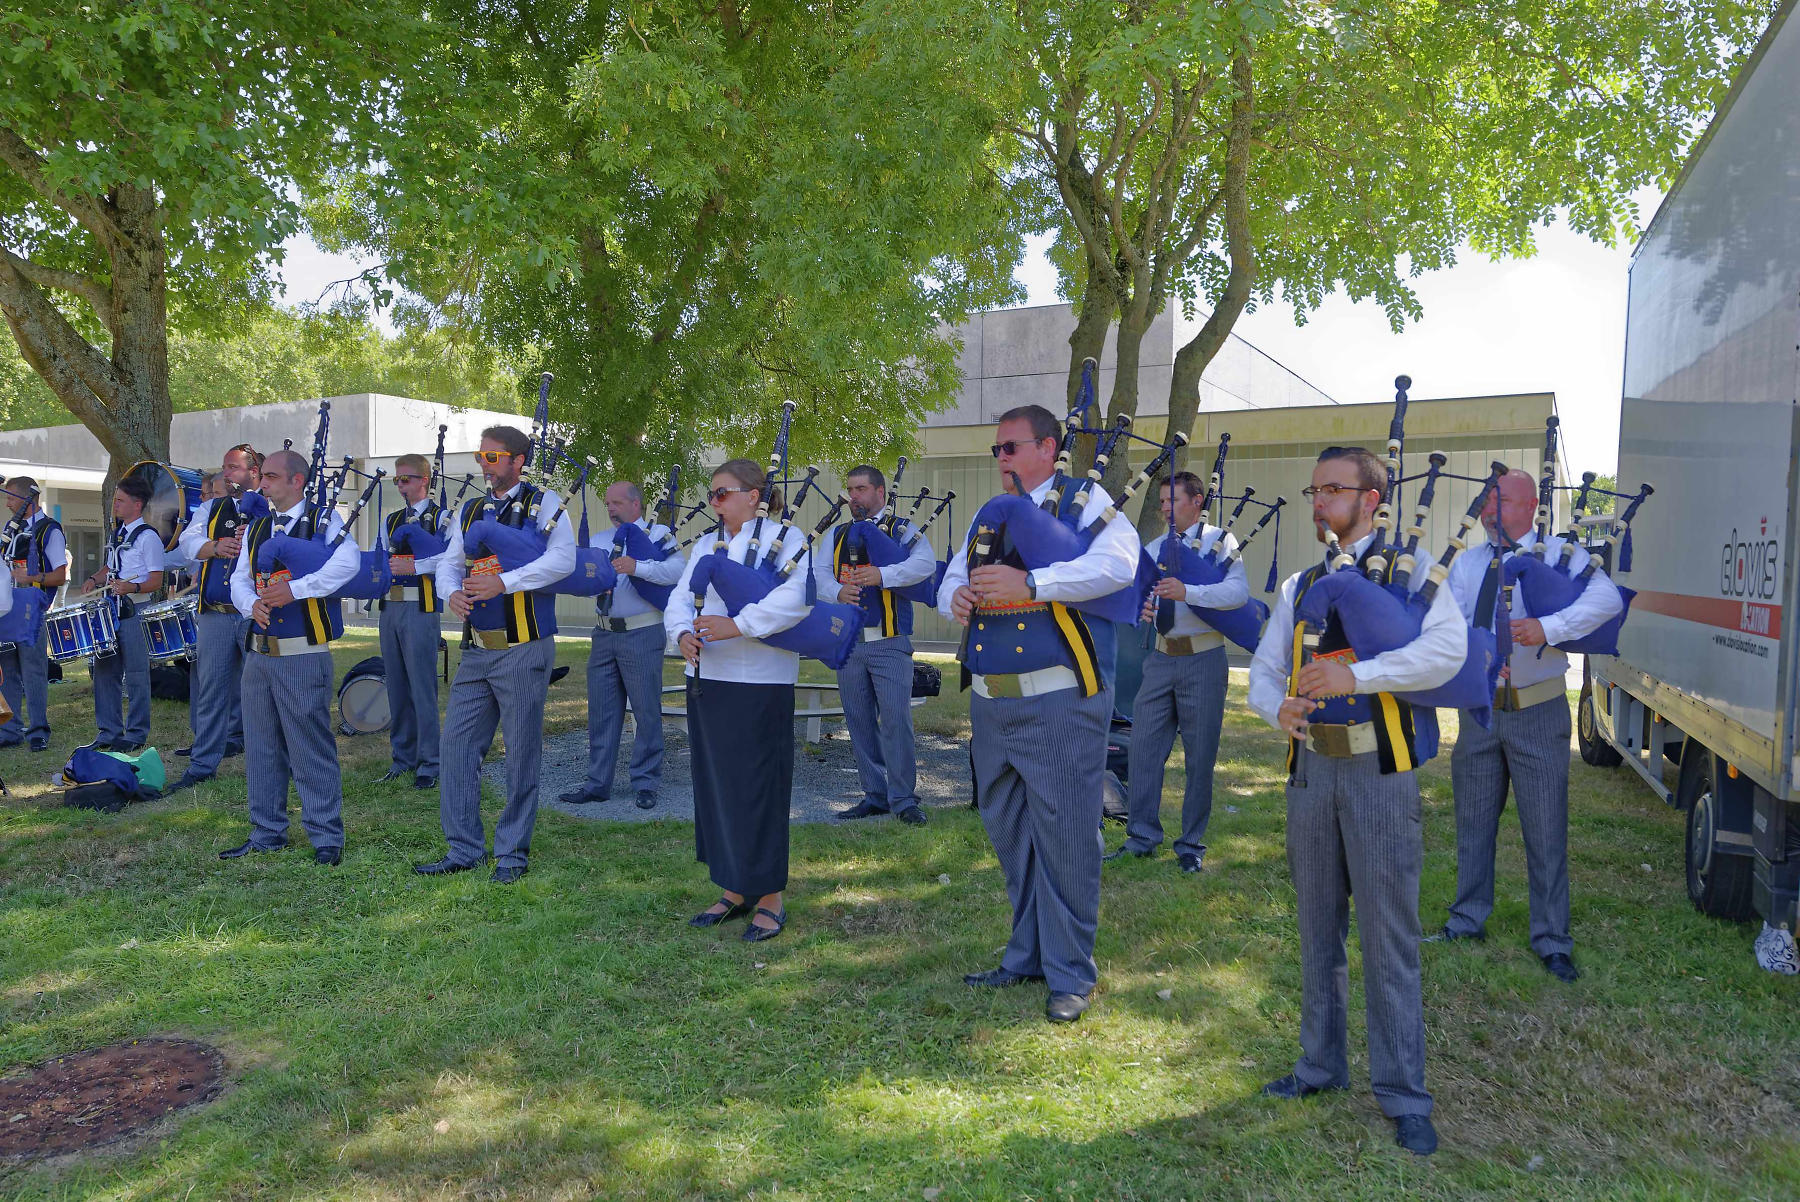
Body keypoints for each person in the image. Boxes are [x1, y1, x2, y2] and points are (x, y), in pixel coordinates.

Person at [1247, 445, 1467, 1157]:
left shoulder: (1417, 573)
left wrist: (1361, 676)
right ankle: (1320, 1065)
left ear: (1373, 497)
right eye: (1314, 490)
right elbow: (1266, 667)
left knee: (1388, 936)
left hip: (1379, 777)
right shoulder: (1300, 583)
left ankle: (1404, 1094)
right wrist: (1273, 708)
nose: (1319, 502)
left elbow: (1446, 654)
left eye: (1333, 489)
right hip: (1311, 777)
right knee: (1317, 929)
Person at [941, 404, 1140, 1024]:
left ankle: (1071, 973)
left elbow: (1119, 566)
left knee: (1066, 836)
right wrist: (960, 594)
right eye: (996, 449)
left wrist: (1035, 584)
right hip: (993, 699)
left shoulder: (1086, 502)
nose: (1000, 458)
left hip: (1060, 698)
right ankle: (1026, 954)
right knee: (1010, 832)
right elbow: (953, 576)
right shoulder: (985, 515)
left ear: (1048, 448)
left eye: (1010, 447)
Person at [1432, 470, 1623, 982]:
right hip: (1480, 710)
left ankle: (1552, 939)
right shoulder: (1469, 563)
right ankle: (1467, 918)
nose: (1491, 513)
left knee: (1545, 829)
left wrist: (1547, 628)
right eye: (1488, 503)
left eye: (1503, 502)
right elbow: (1444, 622)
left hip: (1538, 710)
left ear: (1532, 505)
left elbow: (1606, 601)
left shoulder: (1560, 555)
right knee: (1473, 822)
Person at [416, 426, 575, 883]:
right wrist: (450, 593)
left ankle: (512, 853)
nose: (483, 462)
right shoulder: (469, 509)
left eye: (491, 454)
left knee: (521, 751)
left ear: (517, 460)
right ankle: (463, 847)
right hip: (477, 649)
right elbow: (449, 561)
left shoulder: (545, 504)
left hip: (525, 646)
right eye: (479, 454)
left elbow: (562, 561)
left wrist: (504, 582)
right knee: (457, 745)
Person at [667, 460, 811, 943]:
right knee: (717, 785)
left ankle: (769, 897)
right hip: (708, 677)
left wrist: (739, 625)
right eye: (711, 495)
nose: (715, 503)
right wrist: (682, 632)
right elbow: (680, 598)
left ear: (754, 494)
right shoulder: (707, 544)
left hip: (760, 680)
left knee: (759, 788)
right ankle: (732, 887)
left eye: (722, 493)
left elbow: (797, 600)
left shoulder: (788, 540)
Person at [217, 449, 358, 865]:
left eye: (272, 477)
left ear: (297, 480)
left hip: (302, 653)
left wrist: (297, 589)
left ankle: (326, 836)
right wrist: (250, 606)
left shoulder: (325, 521)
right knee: (260, 747)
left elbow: (348, 564)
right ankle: (266, 832)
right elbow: (239, 579)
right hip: (259, 654)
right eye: (263, 477)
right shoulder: (258, 526)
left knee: (309, 746)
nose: (263, 485)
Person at [1109, 470, 1248, 872]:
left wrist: (1189, 592)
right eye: (1163, 502)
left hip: (1203, 659)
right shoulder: (1155, 547)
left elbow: (1237, 593)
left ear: (1197, 501)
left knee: (1199, 757)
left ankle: (1190, 844)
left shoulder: (1221, 543)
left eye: (1173, 501)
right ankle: (1141, 836)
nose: (1165, 508)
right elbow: (1141, 598)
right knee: (1145, 749)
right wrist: (1145, 608)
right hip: (1160, 659)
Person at [813, 464, 936, 825]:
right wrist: (837, 591)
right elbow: (819, 573)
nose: (854, 497)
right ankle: (874, 794)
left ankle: (904, 799)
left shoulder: (902, 530)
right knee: (859, 719)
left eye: (862, 489)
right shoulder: (836, 534)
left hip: (889, 641)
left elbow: (925, 564)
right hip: (849, 642)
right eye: (850, 490)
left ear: (880, 492)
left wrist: (884, 575)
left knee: (897, 720)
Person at [560, 481, 684, 810]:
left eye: (616, 502)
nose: (610, 509)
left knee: (645, 711)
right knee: (602, 713)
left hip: (642, 633)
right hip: (603, 634)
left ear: (635, 504)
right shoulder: (601, 541)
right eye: (607, 503)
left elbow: (678, 570)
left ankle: (645, 782)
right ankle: (598, 783)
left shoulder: (659, 536)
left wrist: (638, 567)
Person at [168, 444, 262, 792]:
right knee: (211, 690)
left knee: (262, 691)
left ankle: (266, 763)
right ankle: (202, 765)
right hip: (217, 614)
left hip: (256, 614)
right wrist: (215, 546)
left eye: (234, 467)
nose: (226, 473)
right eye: (224, 467)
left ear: (254, 472)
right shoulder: (212, 507)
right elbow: (188, 543)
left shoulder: (271, 507)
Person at [375, 452, 447, 791]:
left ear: (424, 480)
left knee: (422, 687)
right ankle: (402, 757)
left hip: (421, 608)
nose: (401, 485)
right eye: (397, 480)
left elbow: (452, 560)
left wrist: (416, 568)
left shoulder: (443, 517)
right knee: (397, 686)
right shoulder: (390, 520)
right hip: (390, 608)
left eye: (406, 479)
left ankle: (430, 762)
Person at [82, 475, 164, 753]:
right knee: (105, 670)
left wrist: (132, 586)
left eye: (120, 501)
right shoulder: (118, 533)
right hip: (111, 610)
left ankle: (137, 732)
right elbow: (110, 566)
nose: (114, 504)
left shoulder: (148, 537)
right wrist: (94, 579)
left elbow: (156, 580)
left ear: (137, 504)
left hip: (135, 610)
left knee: (137, 673)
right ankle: (108, 731)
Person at [0, 476, 68, 752]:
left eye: (11, 498)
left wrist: (32, 577)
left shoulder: (50, 530)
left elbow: (61, 576)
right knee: (7, 670)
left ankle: (38, 730)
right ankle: (9, 729)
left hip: (31, 609)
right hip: (7, 606)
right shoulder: (9, 528)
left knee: (33, 671)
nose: (7, 503)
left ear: (28, 499)